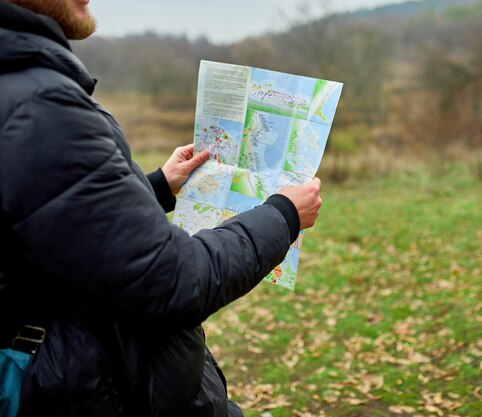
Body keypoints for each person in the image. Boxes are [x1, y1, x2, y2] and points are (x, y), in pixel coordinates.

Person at [0, 0, 323, 416]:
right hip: (98, 392)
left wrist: (156, 187)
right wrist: (283, 215)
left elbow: (52, 227)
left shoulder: (16, 88)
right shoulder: (39, 104)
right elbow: (173, 280)